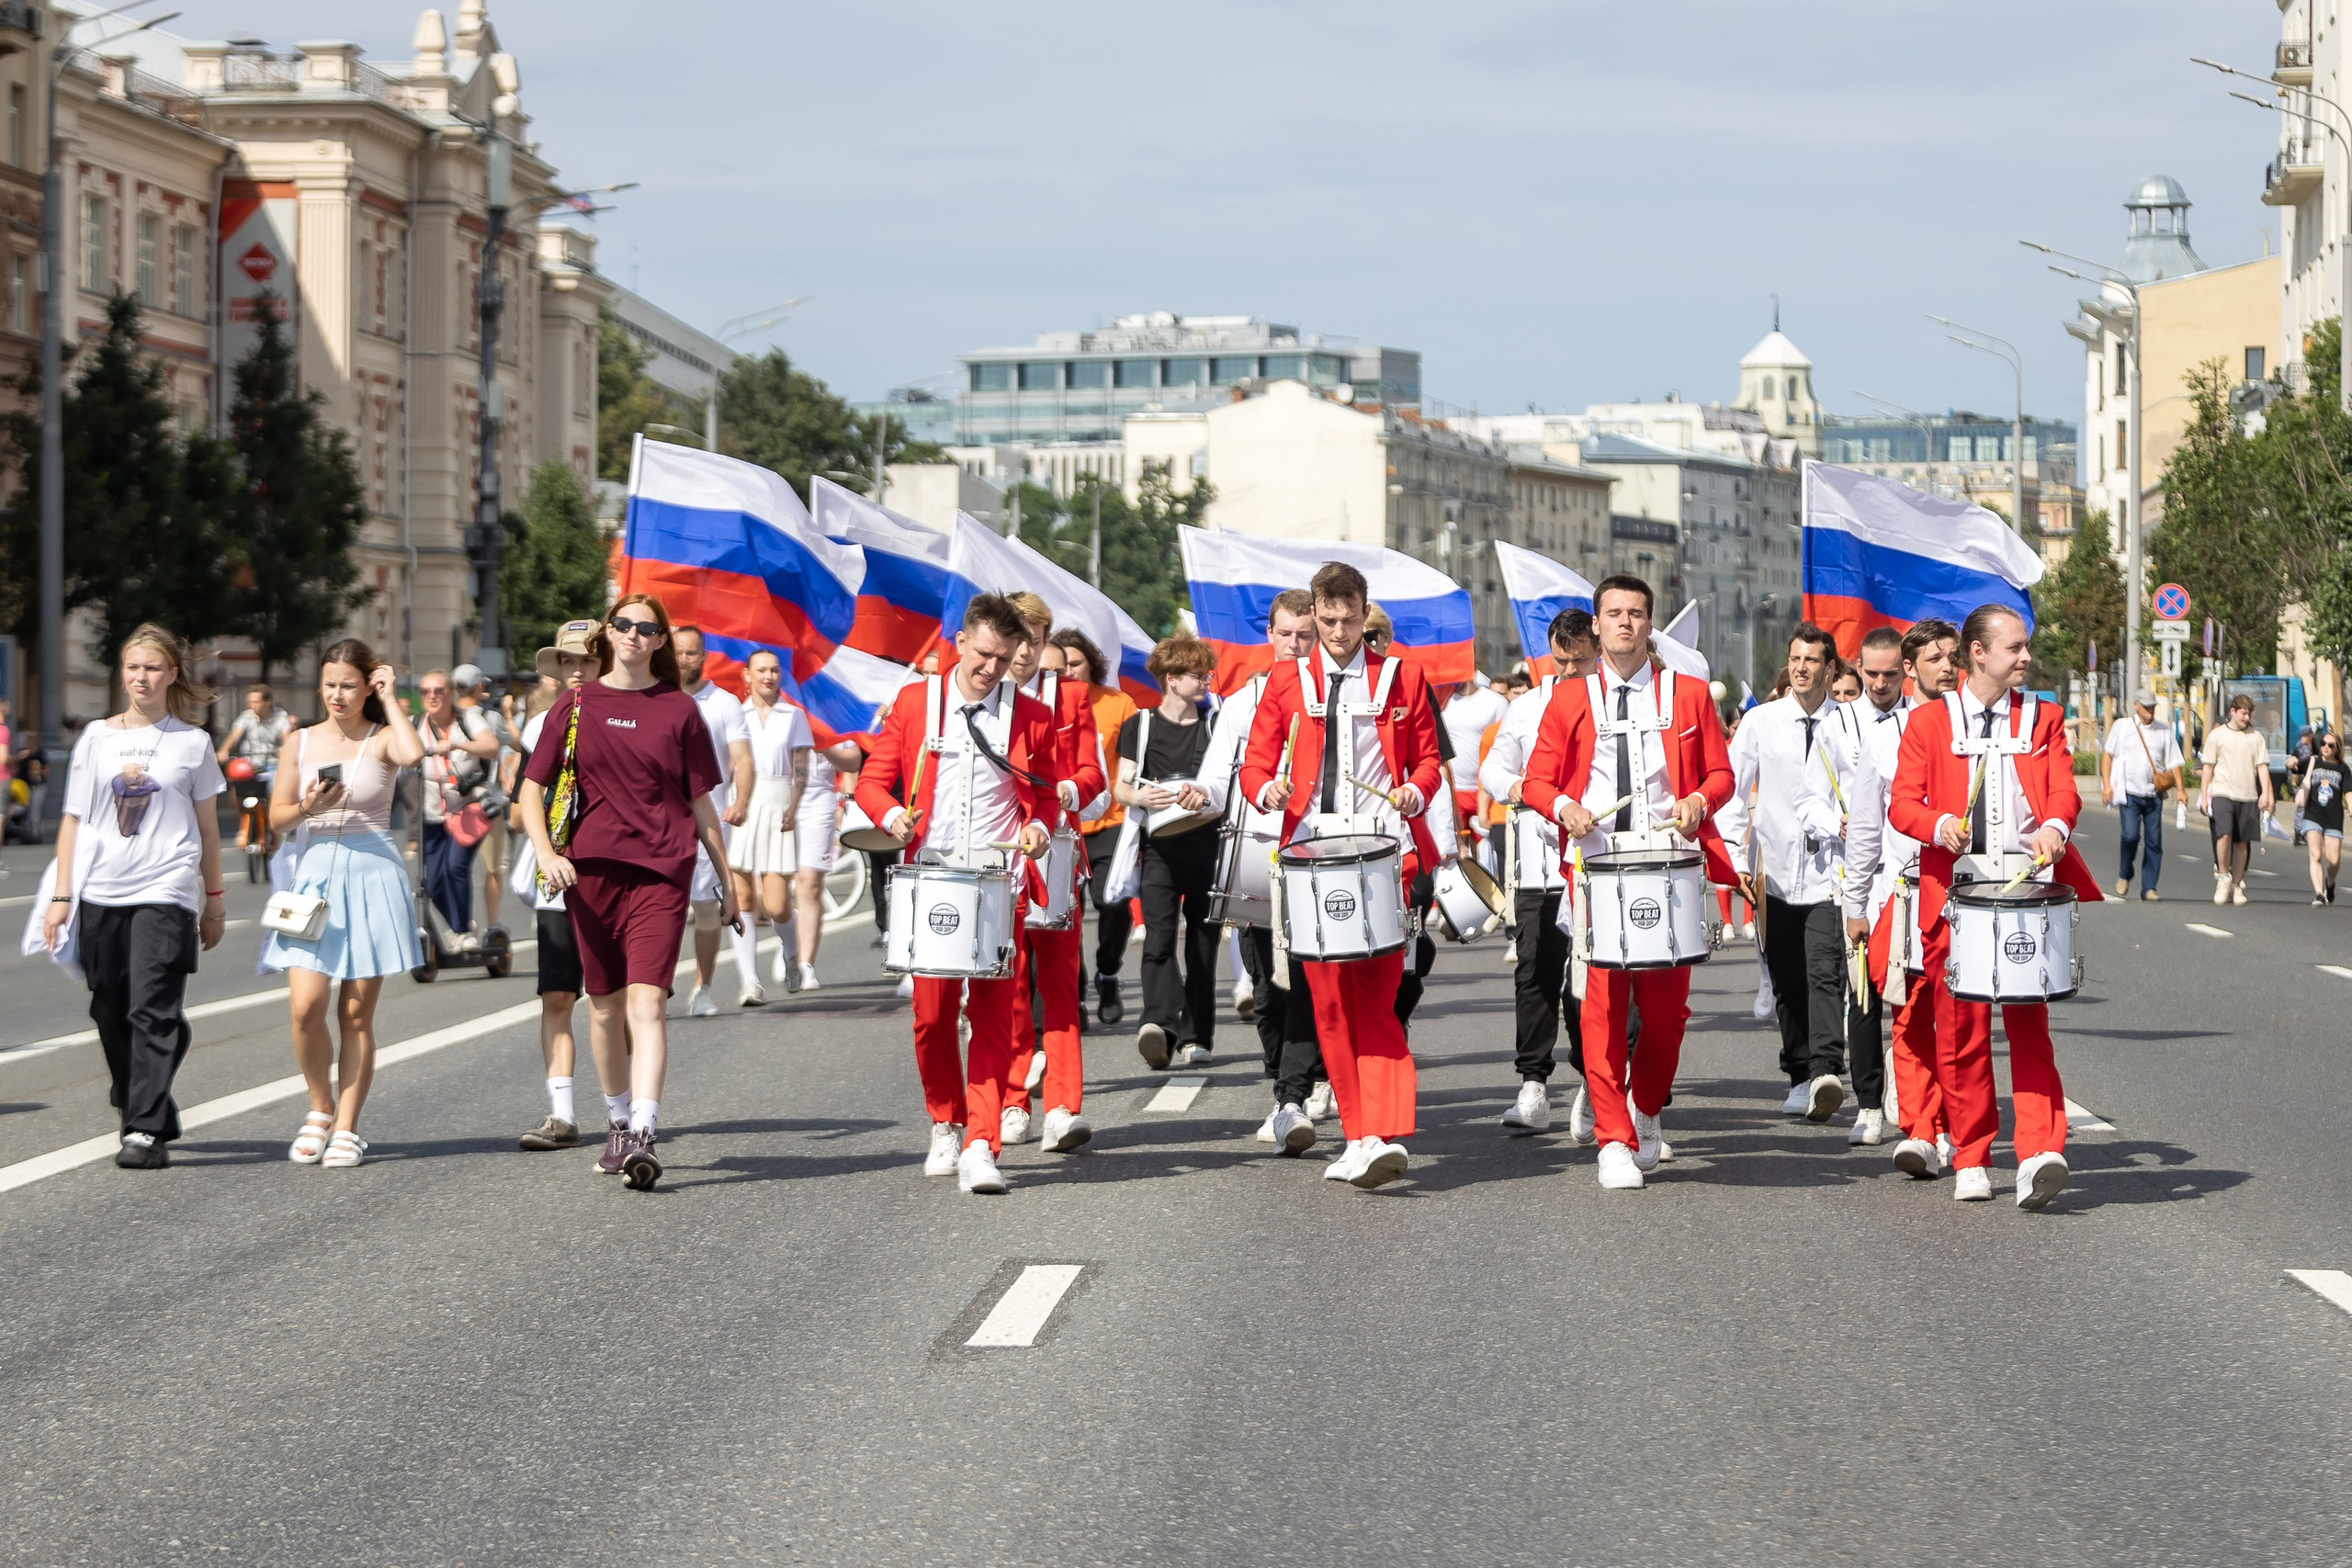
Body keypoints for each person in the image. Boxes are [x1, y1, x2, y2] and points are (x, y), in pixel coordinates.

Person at [1520, 575, 1736, 1191]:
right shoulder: (1568, 698)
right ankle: (1613, 1138)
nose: (1624, 624)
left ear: (1649, 624)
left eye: (1636, 613)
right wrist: (1565, 807)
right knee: (1603, 1006)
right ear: (1596, 624)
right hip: (1597, 866)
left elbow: (1721, 775)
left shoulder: (1688, 694)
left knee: (1666, 1014)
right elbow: (1537, 780)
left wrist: (1697, 798)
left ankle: (1648, 1103)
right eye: (1613, 613)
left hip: (1669, 862)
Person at [1238, 560, 1446, 1190]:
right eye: (1325, 619)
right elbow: (1253, 764)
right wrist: (1267, 789)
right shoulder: (1283, 680)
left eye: (1347, 619)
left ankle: (1379, 1131)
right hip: (1310, 858)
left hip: (1386, 855)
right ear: (1316, 613)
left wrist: (1414, 789)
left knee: (1376, 997)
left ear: (1364, 612)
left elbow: (1429, 761)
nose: (1335, 630)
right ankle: (1357, 1133)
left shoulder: (1402, 676)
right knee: (1327, 1004)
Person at [518, 593, 737, 1192]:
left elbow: (702, 805)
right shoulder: (576, 704)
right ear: (609, 633)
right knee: (606, 1005)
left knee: (647, 1004)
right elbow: (531, 791)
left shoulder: (680, 711)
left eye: (647, 628)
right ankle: (617, 1120)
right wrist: (546, 853)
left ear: (661, 641)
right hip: (590, 875)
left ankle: (643, 1129)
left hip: (662, 875)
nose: (635, 634)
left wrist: (726, 879)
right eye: (625, 624)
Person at [1887, 604, 2099, 1209]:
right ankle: (1973, 1153)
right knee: (1961, 1032)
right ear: (1977, 653)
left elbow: (2062, 788)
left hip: (2027, 887)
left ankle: (2038, 1152)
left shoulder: (2043, 716)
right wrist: (1938, 823)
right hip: (1955, 892)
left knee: (2031, 1025)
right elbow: (1902, 804)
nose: (2026, 657)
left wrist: (2056, 824)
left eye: (2025, 646)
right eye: (2015, 647)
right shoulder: (1929, 722)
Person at [854, 593, 1060, 1194]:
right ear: (961, 643)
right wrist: (891, 813)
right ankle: (945, 1117)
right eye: (984, 654)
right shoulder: (919, 703)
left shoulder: (1032, 715)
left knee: (995, 1015)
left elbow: (1044, 794)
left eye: (1004, 657)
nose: (992, 668)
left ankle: (981, 1142)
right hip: (932, 879)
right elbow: (872, 780)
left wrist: (1039, 827)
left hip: (999, 882)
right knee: (933, 1015)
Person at [41, 625, 228, 1168]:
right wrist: (61, 896)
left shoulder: (192, 743)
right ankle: (148, 1096)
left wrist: (214, 901)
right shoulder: (96, 737)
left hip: (165, 889)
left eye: (152, 668)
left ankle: (144, 1129)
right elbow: (73, 820)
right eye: (133, 667)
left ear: (172, 674)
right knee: (109, 1008)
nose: (141, 677)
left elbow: (210, 832)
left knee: (152, 1008)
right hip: (101, 888)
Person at [263, 639, 428, 1168]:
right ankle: (319, 1108)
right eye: (330, 684)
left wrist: (393, 696)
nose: (337, 694)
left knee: (355, 1012)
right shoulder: (300, 741)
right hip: (315, 873)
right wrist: (308, 806)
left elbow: (414, 754)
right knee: (305, 1007)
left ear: (367, 687)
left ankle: (348, 1128)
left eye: (350, 685)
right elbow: (278, 819)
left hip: (372, 869)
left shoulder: (382, 738)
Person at [1721, 624, 1880, 1127]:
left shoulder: (1850, 724)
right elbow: (1731, 789)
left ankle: (1825, 1070)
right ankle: (1797, 1075)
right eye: (1795, 658)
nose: (1802, 667)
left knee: (1824, 971)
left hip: (1833, 869)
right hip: (1775, 868)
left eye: (1813, 659)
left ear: (1830, 668)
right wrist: (1734, 859)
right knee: (1787, 978)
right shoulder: (1761, 722)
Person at [1198, 590, 1322, 1152]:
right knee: (1269, 990)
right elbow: (1218, 777)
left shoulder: (1329, 692)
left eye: (1306, 635)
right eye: (1287, 634)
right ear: (1269, 635)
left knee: (1308, 978)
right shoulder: (1243, 701)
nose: (1296, 645)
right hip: (1254, 859)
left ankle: (1292, 1095)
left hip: (1315, 856)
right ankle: (1285, 1084)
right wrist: (1192, 795)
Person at [1477, 607, 1600, 1136]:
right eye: (1561, 660)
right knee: (1534, 973)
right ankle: (1533, 1085)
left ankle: (1595, 1084)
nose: (1570, 670)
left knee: (1589, 981)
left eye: (1581, 660)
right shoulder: (1528, 706)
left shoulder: (1616, 704)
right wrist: (1517, 789)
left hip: (1594, 863)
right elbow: (1491, 768)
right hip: (1538, 864)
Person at [1001, 598, 1106, 1152]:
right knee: (1009, 980)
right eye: (1017, 637)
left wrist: (1069, 790)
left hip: (1053, 847)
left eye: (1035, 637)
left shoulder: (1069, 695)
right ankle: (1013, 1100)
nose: (1024, 650)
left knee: (1061, 983)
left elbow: (1092, 772)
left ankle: (1064, 1105)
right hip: (996, 851)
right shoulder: (981, 698)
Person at [515, 619, 602, 1150]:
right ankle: (563, 1114)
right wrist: (545, 849)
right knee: (558, 994)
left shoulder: (630, 716)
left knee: (621, 1000)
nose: (575, 672)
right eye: (567, 663)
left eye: (586, 662)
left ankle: (633, 1110)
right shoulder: (541, 726)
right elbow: (526, 794)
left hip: (615, 872)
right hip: (558, 872)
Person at [1119, 636, 1221, 1070]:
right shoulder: (1140, 726)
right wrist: (1141, 797)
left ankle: (1197, 1035)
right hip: (1159, 848)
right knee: (1158, 937)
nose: (1205, 682)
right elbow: (1120, 785)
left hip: (1210, 846)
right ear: (1172, 679)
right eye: (1198, 676)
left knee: (1202, 945)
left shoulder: (1215, 724)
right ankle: (1159, 1025)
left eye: (1206, 674)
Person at [671, 626, 760, 1011]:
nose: (683, 660)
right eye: (677, 652)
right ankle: (655, 987)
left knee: (705, 907)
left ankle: (703, 989)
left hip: (708, 821)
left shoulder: (724, 703)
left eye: (691, 653)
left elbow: (742, 759)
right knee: (663, 908)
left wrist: (739, 800)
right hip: (660, 822)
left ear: (703, 657)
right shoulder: (654, 697)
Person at [1064, 634, 1139, 1024]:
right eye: (1061, 664)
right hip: (1064, 826)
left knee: (1113, 901)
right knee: (1065, 913)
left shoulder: (1117, 703)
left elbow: (1136, 760)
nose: (1068, 670)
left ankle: (1108, 972)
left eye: (1075, 663)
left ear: (1091, 663)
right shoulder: (1045, 702)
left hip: (1110, 820)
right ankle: (1073, 991)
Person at [729, 649, 810, 990]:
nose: (768, 676)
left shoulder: (793, 715)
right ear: (747, 675)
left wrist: (794, 805)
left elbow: (802, 768)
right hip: (741, 803)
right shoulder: (736, 714)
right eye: (761, 670)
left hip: (778, 803)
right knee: (743, 898)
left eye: (775, 671)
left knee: (777, 905)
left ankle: (792, 953)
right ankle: (750, 980)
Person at [777, 707, 862, 993]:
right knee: (773, 890)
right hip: (776, 798)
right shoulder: (773, 708)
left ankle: (805, 964)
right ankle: (789, 942)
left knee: (809, 883)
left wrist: (824, 745)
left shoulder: (832, 712)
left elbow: (852, 761)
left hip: (818, 802)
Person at [416, 669, 500, 941]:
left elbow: (491, 747)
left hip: (467, 807)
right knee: (431, 881)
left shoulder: (468, 718)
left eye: (439, 691)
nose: (432, 696)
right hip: (432, 813)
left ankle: (463, 932)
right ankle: (459, 924)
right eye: (425, 692)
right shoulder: (416, 723)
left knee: (455, 867)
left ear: (451, 694)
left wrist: (457, 745)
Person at [451, 664, 520, 934]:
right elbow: (518, 743)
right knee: (493, 869)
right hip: (486, 803)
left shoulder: (443, 719)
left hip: (449, 802)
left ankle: (461, 922)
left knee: (456, 867)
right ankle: (492, 924)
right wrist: (507, 714)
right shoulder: (489, 720)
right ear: (479, 687)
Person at [2101, 685, 2181, 902]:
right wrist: (2106, 785)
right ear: (2136, 706)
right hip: (2129, 793)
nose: (2150, 711)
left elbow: (2174, 762)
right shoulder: (2122, 726)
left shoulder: (2163, 730)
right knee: (2130, 836)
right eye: (2146, 707)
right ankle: (2125, 873)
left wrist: (2181, 790)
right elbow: (2107, 756)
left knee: (2154, 842)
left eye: (2153, 707)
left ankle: (2149, 888)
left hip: (2153, 794)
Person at [2200, 693, 2271, 907]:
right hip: (2222, 792)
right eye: (2243, 713)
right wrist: (2204, 795)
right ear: (2233, 711)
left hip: (2248, 795)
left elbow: (2262, 768)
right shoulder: (2217, 735)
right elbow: (2207, 767)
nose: (2246, 718)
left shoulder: (2256, 738)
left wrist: (2266, 794)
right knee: (2224, 835)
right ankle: (2223, 877)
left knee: (2241, 843)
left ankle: (2237, 883)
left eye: (2249, 714)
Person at [217, 684, 292, 850]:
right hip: (250, 763)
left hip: (272, 762)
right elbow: (234, 736)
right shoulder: (247, 716)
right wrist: (224, 750)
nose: (252, 706)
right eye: (250, 702)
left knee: (274, 790)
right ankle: (244, 818)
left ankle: (273, 823)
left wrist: (284, 750)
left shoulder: (280, 717)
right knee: (236, 788)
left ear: (268, 702)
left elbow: (287, 740)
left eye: (256, 702)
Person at [2299, 729, 2349, 905]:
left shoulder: (2343, 768)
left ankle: (2330, 883)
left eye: (2330, 745)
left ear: (2337, 749)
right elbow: (2296, 764)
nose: (2326, 747)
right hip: (2313, 814)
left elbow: (2349, 792)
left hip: (2334, 818)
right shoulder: (2313, 761)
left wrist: (2351, 807)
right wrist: (2291, 762)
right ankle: (2319, 893)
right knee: (2315, 853)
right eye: (2323, 744)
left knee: (2334, 860)